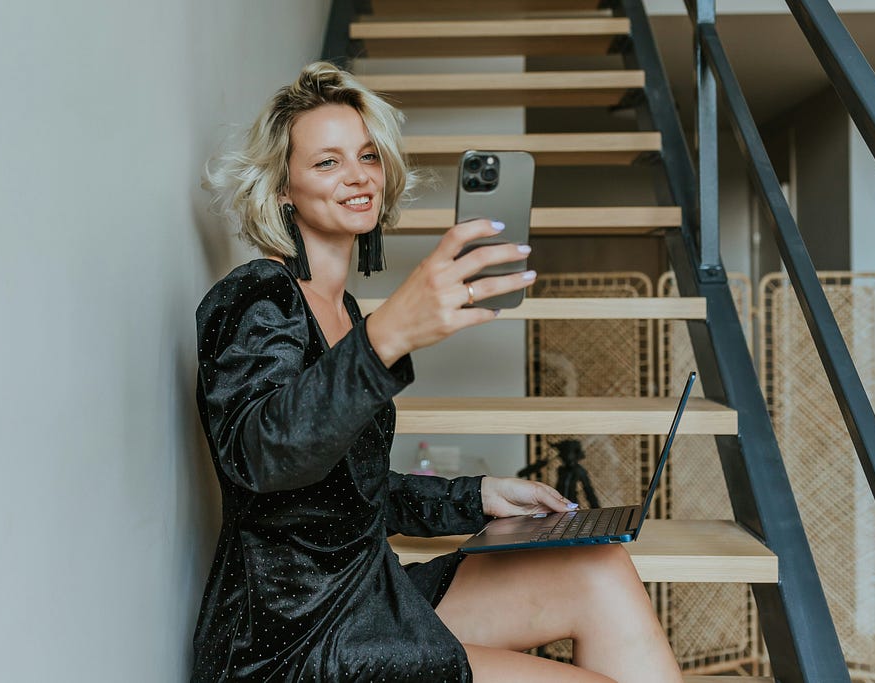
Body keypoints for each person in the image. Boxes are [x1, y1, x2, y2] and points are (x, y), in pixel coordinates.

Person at [192, 61, 681, 683]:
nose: (358, 175)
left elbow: (346, 492)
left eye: (368, 155)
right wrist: (387, 334)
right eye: (327, 162)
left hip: (367, 594)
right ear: (282, 189)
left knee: (598, 566)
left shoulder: (344, 309)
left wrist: (475, 496)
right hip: (294, 637)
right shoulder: (258, 295)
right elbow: (261, 457)